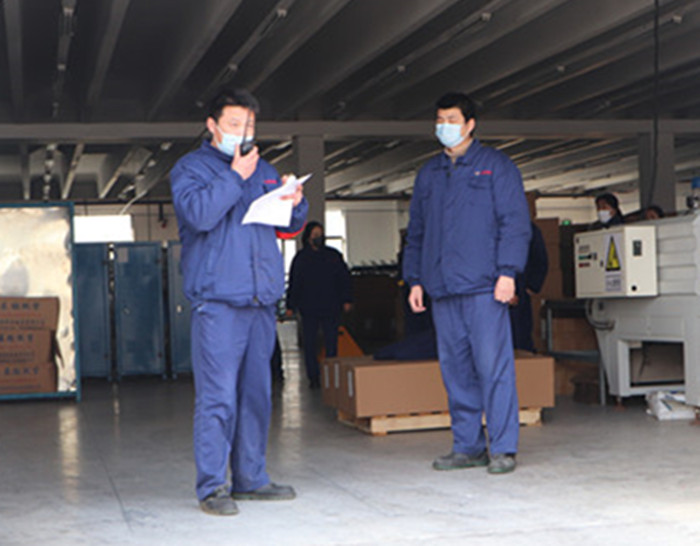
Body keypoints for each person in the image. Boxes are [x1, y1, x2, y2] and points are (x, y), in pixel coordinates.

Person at [170, 89, 308, 516]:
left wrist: (295, 204)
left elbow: (286, 228)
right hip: (218, 302)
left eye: (248, 126)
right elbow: (199, 216)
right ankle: (213, 486)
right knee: (218, 398)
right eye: (233, 125)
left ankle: (251, 478)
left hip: (259, 301)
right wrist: (234, 175)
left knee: (256, 395)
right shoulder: (190, 169)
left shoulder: (264, 170)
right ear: (212, 125)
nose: (242, 133)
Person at [403, 92, 531, 475]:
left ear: (470, 124)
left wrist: (508, 272)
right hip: (443, 289)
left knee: (493, 369)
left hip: (484, 288)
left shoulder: (496, 167)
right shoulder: (429, 173)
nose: (444, 126)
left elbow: (515, 223)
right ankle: (468, 446)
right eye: (440, 119)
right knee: (456, 373)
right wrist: (414, 280)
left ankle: (503, 448)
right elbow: (417, 231)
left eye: (452, 120)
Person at [286, 221, 352, 388]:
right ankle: (314, 377)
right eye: (315, 235)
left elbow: (344, 279)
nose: (319, 238)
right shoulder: (301, 259)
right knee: (310, 344)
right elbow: (295, 283)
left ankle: (331, 375)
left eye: (320, 234)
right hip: (309, 308)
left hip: (331, 306)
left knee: (331, 344)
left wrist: (347, 299)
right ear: (308, 238)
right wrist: (290, 305)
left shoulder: (333, 256)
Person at [509, 221, 548, 352]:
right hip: (489, 291)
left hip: (519, 287)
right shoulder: (487, 224)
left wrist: (532, 285)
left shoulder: (526, 227)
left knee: (519, 335)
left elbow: (540, 258)